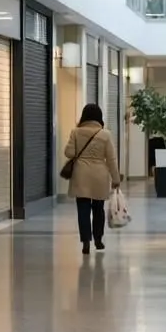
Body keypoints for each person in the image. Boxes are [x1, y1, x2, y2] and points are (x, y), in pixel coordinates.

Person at [64, 103, 121, 255]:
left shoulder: (76, 132)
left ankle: (85, 242)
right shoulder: (105, 134)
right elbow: (111, 159)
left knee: (83, 210)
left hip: (81, 175)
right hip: (99, 176)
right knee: (98, 209)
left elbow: (69, 153)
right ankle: (98, 240)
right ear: (99, 117)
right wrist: (116, 178)